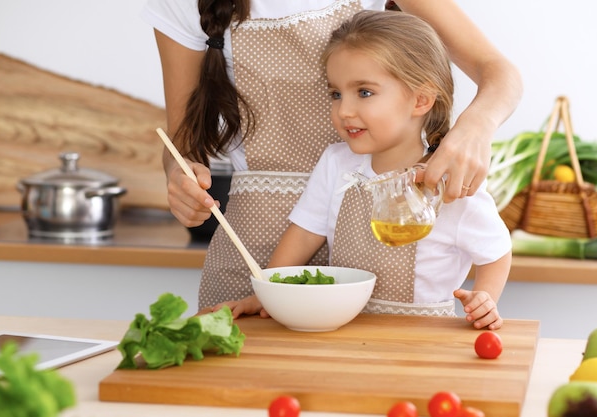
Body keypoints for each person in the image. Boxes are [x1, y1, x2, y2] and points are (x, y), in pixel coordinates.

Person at [141, 0, 521, 313]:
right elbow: (182, 140)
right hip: (251, 251)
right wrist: (180, 171)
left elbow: (499, 71)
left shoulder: (435, 190)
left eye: (364, 92)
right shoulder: (335, 166)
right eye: (334, 93)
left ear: (422, 99)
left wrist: (474, 128)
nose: (343, 110)